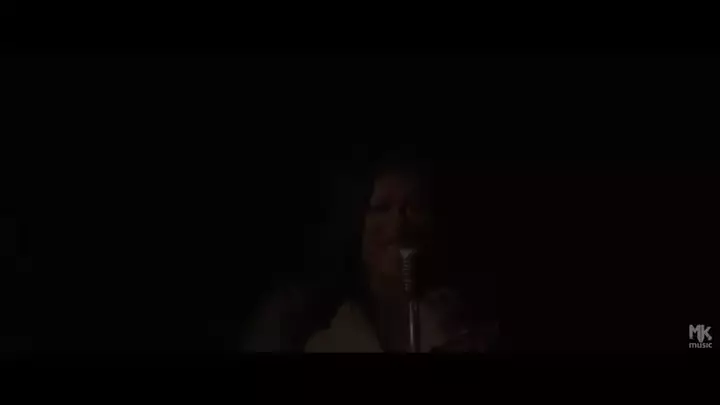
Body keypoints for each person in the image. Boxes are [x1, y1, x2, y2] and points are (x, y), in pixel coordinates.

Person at [243, 154, 498, 352]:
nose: (398, 224)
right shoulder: (300, 317)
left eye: (414, 207)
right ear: (355, 221)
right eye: (381, 208)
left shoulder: (464, 317)